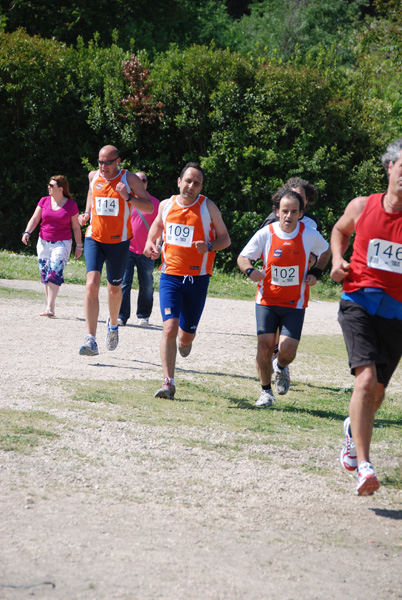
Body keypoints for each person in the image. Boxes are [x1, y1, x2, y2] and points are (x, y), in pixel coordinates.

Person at [330, 137, 402, 496]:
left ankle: (350, 430)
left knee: (376, 394)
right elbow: (340, 231)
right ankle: (364, 464)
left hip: (396, 316)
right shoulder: (362, 206)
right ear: (390, 167)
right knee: (365, 379)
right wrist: (337, 260)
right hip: (357, 301)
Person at [144, 162, 231, 399]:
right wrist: (150, 244)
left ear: (201, 187)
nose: (191, 186)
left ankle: (185, 341)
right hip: (170, 275)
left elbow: (226, 239)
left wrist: (210, 246)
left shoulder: (207, 207)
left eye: (197, 183)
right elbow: (156, 228)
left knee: (185, 336)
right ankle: (168, 382)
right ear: (179, 181)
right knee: (169, 327)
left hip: (198, 279)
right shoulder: (166, 205)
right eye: (188, 181)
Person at [238, 189, 329, 407]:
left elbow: (325, 251)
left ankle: (280, 367)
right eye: (285, 211)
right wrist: (250, 271)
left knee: (287, 351)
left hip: (294, 303)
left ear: (300, 214)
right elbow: (243, 257)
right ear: (277, 212)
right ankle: (265, 392)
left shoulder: (308, 234)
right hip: (267, 301)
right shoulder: (266, 233)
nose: (289, 216)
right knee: (265, 345)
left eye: (294, 212)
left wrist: (315, 273)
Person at [78, 145, 153, 356]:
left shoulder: (130, 180)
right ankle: (90, 338)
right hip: (94, 237)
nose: (102, 167)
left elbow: (149, 207)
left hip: (119, 243)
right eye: (100, 162)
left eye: (107, 163)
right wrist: (86, 214)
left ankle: (112, 325)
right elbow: (91, 197)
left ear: (118, 161)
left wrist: (128, 197)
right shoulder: (94, 176)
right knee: (91, 284)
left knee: (113, 288)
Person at [22, 175, 82, 317]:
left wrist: (79, 246)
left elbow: (76, 227)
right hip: (43, 242)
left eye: (52, 185)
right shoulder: (44, 201)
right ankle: (51, 306)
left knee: (54, 271)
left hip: (62, 243)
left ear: (60, 189)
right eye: (49, 185)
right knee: (45, 273)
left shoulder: (71, 205)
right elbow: (35, 218)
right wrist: (27, 232)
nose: (49, 187)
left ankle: (49, 307)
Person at [118, 172, 160, 327]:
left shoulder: (155, 203)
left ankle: (144, 315)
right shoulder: (125, 200)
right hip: (127, 248)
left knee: (147, 284)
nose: (141, 183)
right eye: (138, 180)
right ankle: (122, 316)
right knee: (124, 283)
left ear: (147, 183)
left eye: (144, 180)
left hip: (147, 251)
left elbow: (161, 228)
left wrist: (158, 246)